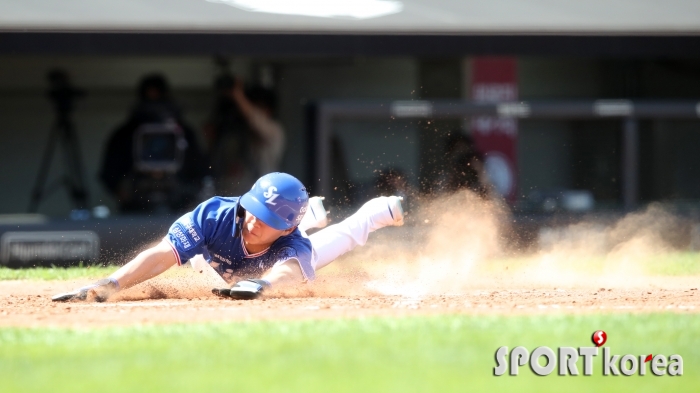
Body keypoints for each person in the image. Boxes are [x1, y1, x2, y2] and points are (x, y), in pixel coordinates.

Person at [52, 172, 404, 302]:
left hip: (266, 263)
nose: (253, 220)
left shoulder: (291, 241)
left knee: (336, 239)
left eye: (267, 219)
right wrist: (111, 283)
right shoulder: (216, 214)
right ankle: (310, 211)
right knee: (194, 259)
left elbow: (291, 272)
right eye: (254, 209)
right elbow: (163, 253)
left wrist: (262, 286)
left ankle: (371, 214)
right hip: (208, 264)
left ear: (285, 228)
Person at [100, 74, 207, 213]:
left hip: (178, 206)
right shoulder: (125, 134)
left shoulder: (182, 132)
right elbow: (109, 174)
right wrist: (122, 191)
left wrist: (190, 196)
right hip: (136, 208)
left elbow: (201, 170)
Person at [204, 77, 284, 195]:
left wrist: (238, 95)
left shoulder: (274, 130)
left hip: (261, 199)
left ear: (268, 110)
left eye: (255, 107)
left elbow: (254, 119)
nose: (244, 111)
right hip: (230, 197)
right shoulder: (235, 133)